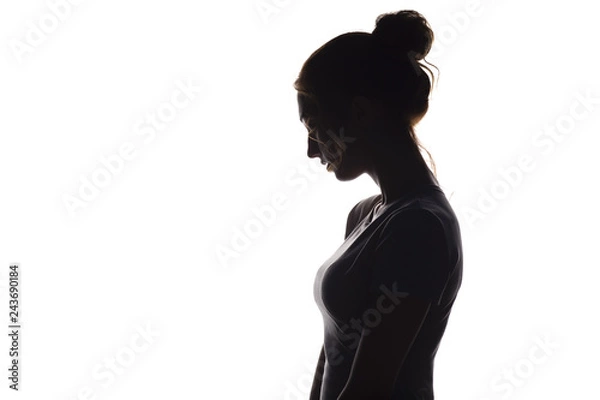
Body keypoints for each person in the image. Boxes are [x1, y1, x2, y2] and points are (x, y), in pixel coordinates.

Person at [294, 10, 464, 400]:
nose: (309, 150)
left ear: (360, 113)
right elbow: (334, 358)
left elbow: (369, 389)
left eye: (314, 128)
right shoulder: (365, 214)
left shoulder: (419, 226)